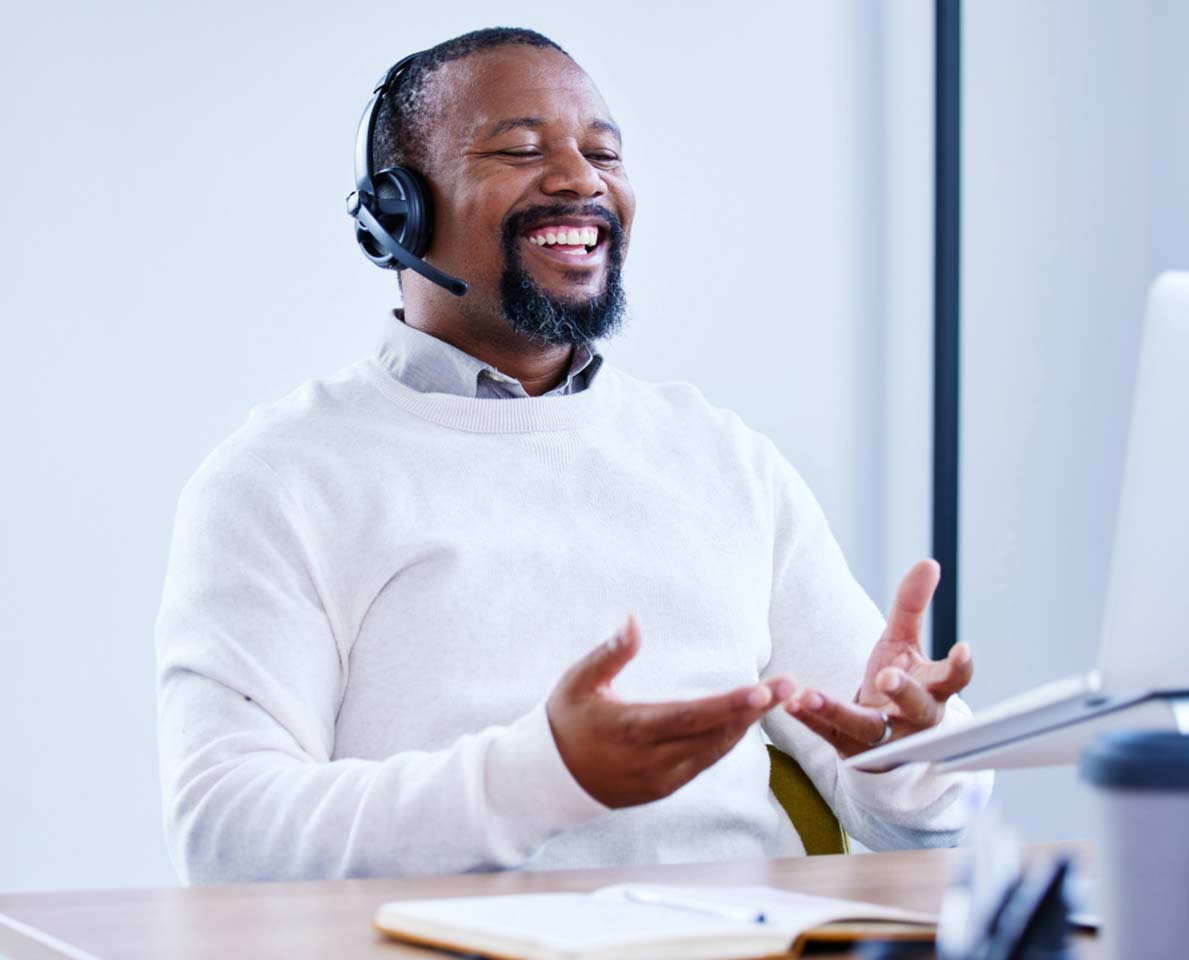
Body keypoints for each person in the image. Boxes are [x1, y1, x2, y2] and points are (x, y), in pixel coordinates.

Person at [155, 27, 993, 884]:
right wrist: (540, 779)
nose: (581, 179)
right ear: (397, 213)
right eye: (520, 149)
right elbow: (225, 830)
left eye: (604, 152)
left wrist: (920, 753)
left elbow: (918, 812)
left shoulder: (723, 458)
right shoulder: (280, 478)